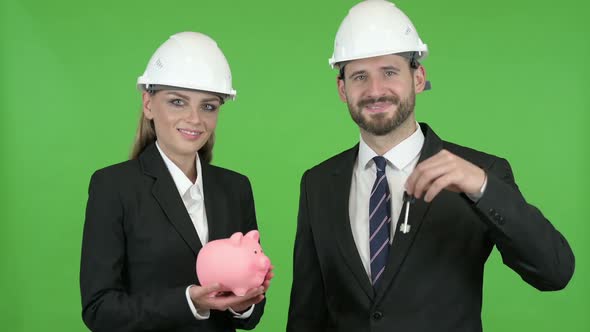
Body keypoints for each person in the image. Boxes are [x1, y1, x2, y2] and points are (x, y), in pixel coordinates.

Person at [286, 1, 574, 331]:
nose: (375, 90)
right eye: (360, 77)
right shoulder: (318, 183)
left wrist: (482, 188)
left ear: (418, 77)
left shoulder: (480, 172)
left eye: (390, 72)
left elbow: (555, 271)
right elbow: (306, 314)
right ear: (342, 89)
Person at [80, 31, 272, 332]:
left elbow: (253, 315)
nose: (195, 119)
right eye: (178, 102)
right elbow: (99, 310)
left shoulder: (235, 189)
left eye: (208, 106)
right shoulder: (114, 187)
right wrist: (190, 302)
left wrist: (245, 302)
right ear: (148, 104)